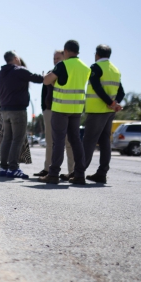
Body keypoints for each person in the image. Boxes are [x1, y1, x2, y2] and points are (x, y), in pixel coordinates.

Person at [39, 40, 91, 185]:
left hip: (61, 109)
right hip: (77, 110)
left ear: (66, 51)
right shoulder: (86, 68)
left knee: (59, 142)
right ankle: (80, 174)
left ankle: (53, 173)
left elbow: (47, 81)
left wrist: (50, 76)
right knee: (75, 141)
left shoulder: (63, 65)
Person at [0, 52, 43, 178]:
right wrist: (49, 75)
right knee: (17, 139)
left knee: (6, 139)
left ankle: (3, 168)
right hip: (18, 111)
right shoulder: (20, 70)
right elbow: (38, 78)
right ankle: (13, 168)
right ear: (16, 58)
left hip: (4, 110)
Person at [82, 44, 125, 183]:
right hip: (109, 112)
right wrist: (115, 103)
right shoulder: (115, 70)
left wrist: (110, 102)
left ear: (97, 54)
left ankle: (78, 172)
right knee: (105, 141)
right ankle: (102, 173)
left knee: (89, 141)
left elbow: (96, 86)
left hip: (97, 110)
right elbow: (121, 92)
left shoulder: (95, 67)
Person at [34, 50, 75, 179]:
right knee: (50, 141)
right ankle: (48, 169)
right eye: (54, 58)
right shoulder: (50, 74)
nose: (56, 60)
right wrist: (44, 109)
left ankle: (72, 171)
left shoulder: (69, 71)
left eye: (58, 58)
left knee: (69, 142)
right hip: (50, 111)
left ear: (65, 57)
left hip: (66, 110)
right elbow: (44, 93)